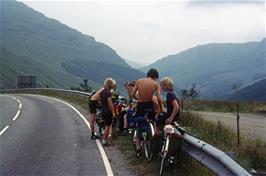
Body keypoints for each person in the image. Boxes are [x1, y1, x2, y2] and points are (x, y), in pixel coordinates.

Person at [100, 78, 117, 146]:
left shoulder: (102, 92)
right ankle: (104, 140)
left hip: (103, 110)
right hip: (108, 111)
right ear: (111, 85)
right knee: (108, 126)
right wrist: (113, 112)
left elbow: (101, 102)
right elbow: (110, 103)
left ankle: (105, 139)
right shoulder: (108, 93)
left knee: (106, 125)